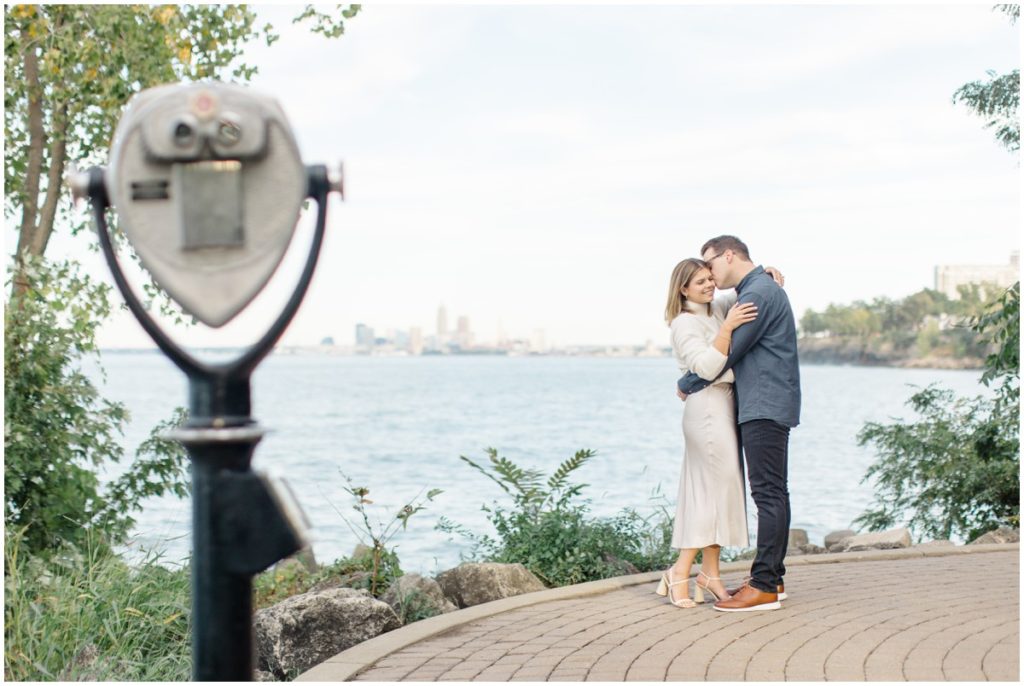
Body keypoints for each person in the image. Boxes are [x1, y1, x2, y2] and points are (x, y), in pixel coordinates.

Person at [677, 235, 801, 613]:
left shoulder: (758, 294)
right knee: (774, 492)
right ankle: (771, 579)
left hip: (763, 403)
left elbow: (731, 351)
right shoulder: (757, 287)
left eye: (711, 265)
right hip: (766, 401)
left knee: (768, 494)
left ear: (728, 255)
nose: (711, 275)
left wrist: (686, 384)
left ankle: (763, 585)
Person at [657, 258, 783, 608]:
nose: (709, 285)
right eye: (700, 282)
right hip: (706, 408)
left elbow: (748, 291)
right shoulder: (684, 323)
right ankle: (679, 572)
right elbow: (708, 367)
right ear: (683, 289)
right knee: (712, 493)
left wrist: (766, 274)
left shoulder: (717, 307)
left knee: (721, 492)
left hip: (725, 406)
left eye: (710, 278)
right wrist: (726, 330)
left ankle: (710, 573)